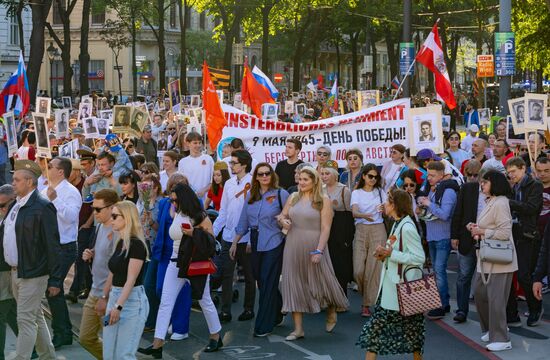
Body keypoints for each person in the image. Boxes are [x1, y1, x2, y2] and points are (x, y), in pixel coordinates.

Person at [138, 184, 222, 357]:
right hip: (174, 262)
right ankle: (157, 345)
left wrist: (193, 233)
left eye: (175, 199)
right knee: (166, 302)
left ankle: (216, 336)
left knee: (204, 299)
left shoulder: (199, 216)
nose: (173, 202)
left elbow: (211, 242)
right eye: (171, 199)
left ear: (184, 198)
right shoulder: (177, 212)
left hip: (194, 264)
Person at [278, 166, 348, 340]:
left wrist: (319, 250)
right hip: (293, 244)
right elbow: (282, 215)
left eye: (305, 180)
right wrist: (283, 221)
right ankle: (298, 329)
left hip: (314, 244)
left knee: (322, 280)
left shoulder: (323, 200)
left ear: (314, 181)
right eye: (299, 179)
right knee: (294, 283)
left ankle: (331, 308)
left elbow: (326, 228)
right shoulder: (293, 197)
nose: (301, 182)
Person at [357, 188, 425, 359]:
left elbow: (419, 257)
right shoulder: (398, 223)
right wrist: (384, 255)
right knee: (412, 334)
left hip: (400, 290)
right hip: (394, 290)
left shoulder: (407, 227)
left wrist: (390, 254)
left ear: (395, 205)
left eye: (387, 201)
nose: (384, 204)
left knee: (377, 333)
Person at [5, 160, 62, 359]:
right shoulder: (16, 204)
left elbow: (53, 245)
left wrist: (56, 279)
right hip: (17, 272)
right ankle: (48, 356)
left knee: (25, 320)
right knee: (35, 316)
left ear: (30, 182)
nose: (13, 183)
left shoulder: (42, 206)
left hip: (33, 273)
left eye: (17, 180)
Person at [232, 163, 289, 336]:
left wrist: (284, 224)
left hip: (274, 240)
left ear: (272, 175)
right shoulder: (251, 195)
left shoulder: (281, 194)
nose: (264, 176)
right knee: (262, 280)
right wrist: (235, 242)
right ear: (256, 177)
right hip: (256, 240)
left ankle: (264, 325)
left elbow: (290, 217)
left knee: (267, 278)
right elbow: (243, 222)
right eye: (261, 174)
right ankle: (278, 310)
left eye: (267, 173)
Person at [469, 170, 517, 352]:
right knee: (480, 294)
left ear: (494, 184)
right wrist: (476, 228)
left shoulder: (501, 203)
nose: (482, 185)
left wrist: (482, 232)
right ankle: (492, 329)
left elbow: (505, 233)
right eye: (482, 182)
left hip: (499, 259)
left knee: (496, 299)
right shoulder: (492, 201)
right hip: (487, 258)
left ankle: (502, 337)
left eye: (485, 182)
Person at [41, 157, 82, 349]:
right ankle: (62, 331)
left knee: (54, 289)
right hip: (48, 247)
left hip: (64, 247)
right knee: (50, 292)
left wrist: (55, 199)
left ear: (60, 171)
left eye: (50, 166)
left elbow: (71, 217)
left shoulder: (70, 192)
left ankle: (63, 333)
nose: (47, 168)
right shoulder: (45, 189)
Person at [212, 150, 256, 323]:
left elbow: (254, 213)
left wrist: (252, 238)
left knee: (249, 275)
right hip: (228, 236)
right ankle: (225, 311)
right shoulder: (229, 184)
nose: (231, 166)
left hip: (246, 238)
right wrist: (213, 233)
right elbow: (223, 211)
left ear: (243, 164)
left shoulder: (253, 182)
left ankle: (249, 309)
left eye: (234, 163)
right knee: (226, 274)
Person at [102, 201, 149, 359]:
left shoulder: (137, 245)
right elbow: (113, 272)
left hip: (132, 301)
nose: (111, 219)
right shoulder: (121, 242)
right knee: (109, 353)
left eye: (115, 216)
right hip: (116, 297)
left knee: (124, 354)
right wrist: (104, 296)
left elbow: (131, 280)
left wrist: (118, 306)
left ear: (127, 218)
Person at [78, 189, 119, 359]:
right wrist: (92, 253)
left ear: (112, 208)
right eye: (93, 208)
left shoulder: (118, 231)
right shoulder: (101, 226)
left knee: (113, 343)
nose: (94, 213)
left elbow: (117, 267)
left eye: (98, 209)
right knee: (85, 338)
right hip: (95, 291)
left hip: (108, 295)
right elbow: (103, 252)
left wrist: (105, 297)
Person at [505, 157, 544, 327]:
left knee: (525, 275)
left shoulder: (534, 185)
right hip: (515, 234)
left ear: (523, 168)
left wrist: (509, 203)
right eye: (509, 173)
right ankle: (515, 313)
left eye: (513, 171)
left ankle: (535, 308)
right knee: (514, 275)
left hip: (528, 235)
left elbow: (532, 207)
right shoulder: (514, 186)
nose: (511, 175)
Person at [417, 161, 457, 319]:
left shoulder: (448, 191)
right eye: (428, 175)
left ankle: (441, 305)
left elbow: (445, 214)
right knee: (436, 271)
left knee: (439, 271)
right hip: (433, 235)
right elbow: (431, 213)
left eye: (432, 175)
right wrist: (422, 209)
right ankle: (443, 303)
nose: (429, 178)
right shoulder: (435, 190)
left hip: (443, 236)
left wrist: (428, 204)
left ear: (442, 175)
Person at [450, 166, 487, 323]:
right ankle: (461, 310)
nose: (484, 184)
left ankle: (486, 314)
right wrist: (454, 236)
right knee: (464, 276)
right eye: (482, 180)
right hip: (466, 239)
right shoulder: (467, 188)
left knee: (485, 279)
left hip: (487, 241)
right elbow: (458, 212)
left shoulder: (496, 195)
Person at [351, 164, 387, 317]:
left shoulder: (380, 192)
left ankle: (367, 303)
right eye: (370, 176)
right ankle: (365, 292)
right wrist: (364, 216)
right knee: (358, 270)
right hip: (361, 229)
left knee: (374, 268)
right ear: (364, 176)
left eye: (375, 177)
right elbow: (354, 212)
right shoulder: (356, 192)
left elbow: (387, 208)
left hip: (378, 228)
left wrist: (383, 209)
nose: (373, 179)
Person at [321, 160, 354, 296]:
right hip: (323, 229)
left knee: (339, 265)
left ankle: (341, 296)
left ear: (335, 175)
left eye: (327, 173)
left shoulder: (344, 190)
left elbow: (349, 216)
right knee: (325, 265)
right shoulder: (320, 189)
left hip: (339, 231)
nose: (324, 176)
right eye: (322, 173)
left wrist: (348, 237)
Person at [0, 185, 18, 360]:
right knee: (10, 309)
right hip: (5, 271)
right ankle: (34, 347)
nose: (1, 209)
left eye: (2, 205)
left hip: (5, 271)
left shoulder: (14, 218)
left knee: (1, 313)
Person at [178, 132, 214, 199]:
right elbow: (181, 182)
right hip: (190, 199)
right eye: (195, 143)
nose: (198, 145)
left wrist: (204, 190)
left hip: (206, 200)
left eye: (199, 143)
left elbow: (213, 180)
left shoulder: (208, 159)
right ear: (188, 143)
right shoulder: (182, 162)